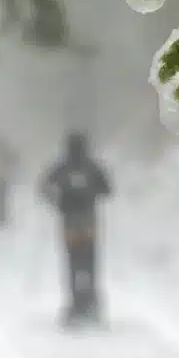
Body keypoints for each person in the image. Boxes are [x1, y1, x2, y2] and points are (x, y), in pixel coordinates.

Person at [40, 129, 111, 324]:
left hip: (69, 221)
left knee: (72, 262)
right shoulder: (91, 166)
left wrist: (56, 202)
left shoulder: (63, 167)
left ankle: (75, 303)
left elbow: (44, 186)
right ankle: (90, 301)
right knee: (90, 261)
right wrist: (93, 195)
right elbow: (108, 189)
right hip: (89, 221)